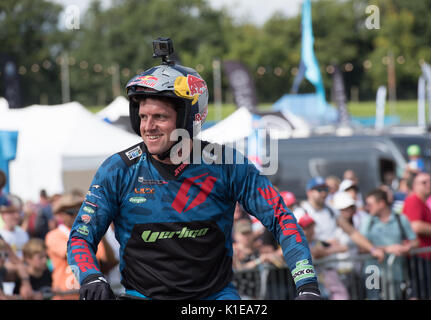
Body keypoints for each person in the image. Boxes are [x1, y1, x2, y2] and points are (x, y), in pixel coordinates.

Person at [67, 41, 321, 300]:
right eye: (143, 117)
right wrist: (90, 275)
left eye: (160, 117)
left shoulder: (228, 164)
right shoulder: (118, 169)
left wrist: (307, 285)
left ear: (189, 119)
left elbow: (281, 219)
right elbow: (80, 237)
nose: (148, 126)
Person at [46, 193, 114, 299]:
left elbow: (108, 261)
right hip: (65, 296)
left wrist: (101, 232)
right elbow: (73, 253)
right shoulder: (54, 235)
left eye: (80, 210)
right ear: (60, 214)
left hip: (90, 294)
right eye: (71, 212)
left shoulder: (89, 235)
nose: (77, 215)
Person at [362, 188, 419, 299]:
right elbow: (361, 248)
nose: (367, 207)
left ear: (381, 203)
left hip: (396, 272)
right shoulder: (367, 221)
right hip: (372, 272)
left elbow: (415, 241)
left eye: (370, 204)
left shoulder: (400, 219)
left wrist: (407, 248)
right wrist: (387, 249)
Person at [402, 171, 431, 299]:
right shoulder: (413, 201)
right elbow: (415, 226)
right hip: (419, 257)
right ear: (414, 186)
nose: (429, 185)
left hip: (427, 256)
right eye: (424, 182)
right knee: (420, 293)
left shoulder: (424, 202)